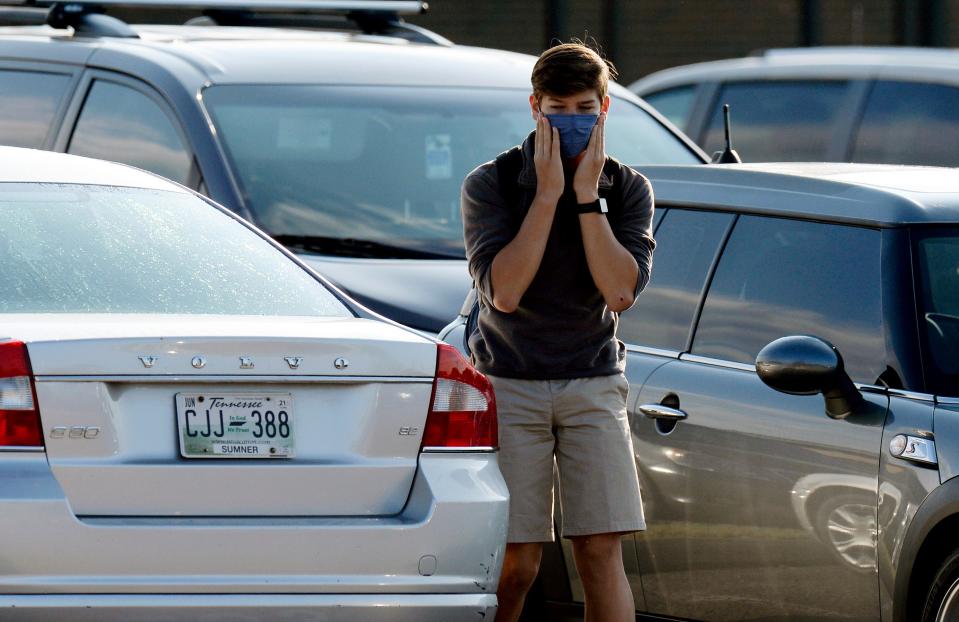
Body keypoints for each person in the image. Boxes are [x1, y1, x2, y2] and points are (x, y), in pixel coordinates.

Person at [461, 42, 655, 622]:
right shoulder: (492, 183)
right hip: (510, 380)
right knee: (516, 562)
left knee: (600, 551)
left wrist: (586, 198)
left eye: (584, 107)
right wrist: (547, 195)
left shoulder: (626, 188)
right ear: (534, 107)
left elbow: (620, 292)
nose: (572, 120)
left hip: (592, 380)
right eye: (558, 108)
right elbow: (506, 293)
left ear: (604, 109)